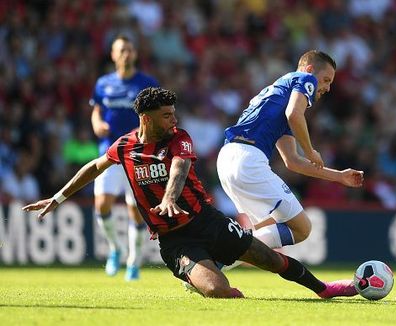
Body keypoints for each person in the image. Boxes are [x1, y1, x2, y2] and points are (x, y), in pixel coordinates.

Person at [22, 87, 358, 299]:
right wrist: (59, 197)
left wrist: (170, 196)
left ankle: (324, 289)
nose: (173, 119)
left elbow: (180, 168)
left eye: (173, 114)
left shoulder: (179, 137)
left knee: (269, 259)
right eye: (166, 115)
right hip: (174, 240)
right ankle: (203, 277)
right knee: (217, 290)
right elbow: (94, 167)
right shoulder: (124, 146)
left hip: (206, 221)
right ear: (145, 118)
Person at [217, 50, 364, 256]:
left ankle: (209, 264)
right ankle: (217, 259)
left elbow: (292, 161)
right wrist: (311, 150)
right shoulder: (303, 78)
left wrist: (338, 176)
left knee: (265, 229)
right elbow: (294, 114)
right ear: (310, 70)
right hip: (248, 159)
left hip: (228, 159)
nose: (328, 88)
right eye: (326, 80)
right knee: (301, 228)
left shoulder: (277, 96)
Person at [89, 35, 160, 281]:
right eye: (121, 50)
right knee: (102, 205)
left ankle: (134, 262)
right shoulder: (103, 83)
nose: (126, 54)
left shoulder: (147, 83)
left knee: (136, 212)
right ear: (113, 54)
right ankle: (115, 249)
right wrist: (97, 123)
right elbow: (96, 111)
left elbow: (159, 116)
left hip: (138, 156)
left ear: (135, 54)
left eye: (129, 50)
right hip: (109, 153)